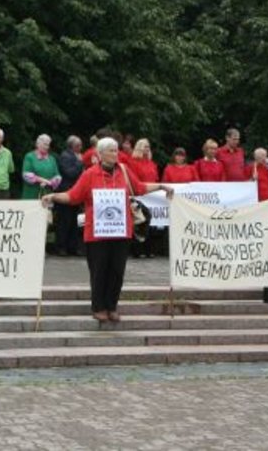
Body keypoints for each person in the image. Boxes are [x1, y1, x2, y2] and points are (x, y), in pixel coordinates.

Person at [42, 138, 174, 324]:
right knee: (99, 271)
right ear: (101, 154)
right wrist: (53, 196)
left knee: (117, 271)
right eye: (111, 151)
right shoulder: (90, 174)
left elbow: (140, 187)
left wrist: (161, 186)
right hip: (97, 233)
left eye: (116, 150)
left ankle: (112, 306)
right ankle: (98, 307)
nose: (116, 154)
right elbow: (73, 196)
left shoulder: (124, 172)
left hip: (121, 232)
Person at [54, 136, 84, 256]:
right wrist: (80, 163)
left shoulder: (75, 156)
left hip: (76, 191)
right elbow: (69, 173)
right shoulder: (66, 156)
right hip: (66, 191)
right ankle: (61, 247)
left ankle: (73, 247)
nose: (81, 148)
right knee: (64, 221)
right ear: (73, 146)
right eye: (79, 145)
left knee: (74, 221)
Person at [21, 134, 60, 199]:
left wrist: (50, 183)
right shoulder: (29, 157)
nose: (47, 147)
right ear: (37, 144)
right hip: (31, 194)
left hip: (47, 195)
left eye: (48, 145)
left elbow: (57, 176)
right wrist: (41, 180)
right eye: (45, 144)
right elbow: (26, 174)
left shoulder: (52, 159)